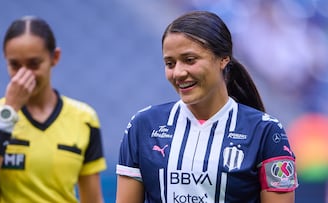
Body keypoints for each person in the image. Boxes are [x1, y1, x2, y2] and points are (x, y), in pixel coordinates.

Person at [116, 10, 298, 203]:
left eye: (189, 60)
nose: (178, 73)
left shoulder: (267, 131)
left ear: (223, 59)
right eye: (170, 63)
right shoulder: (144, 125)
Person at [0, 16, 106, 203]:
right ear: (5, 60)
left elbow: (92, 199)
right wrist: (9, 113)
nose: (24, 75)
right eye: (15, 65)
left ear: (54, 58)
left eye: (34, 64)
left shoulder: (84, 118)